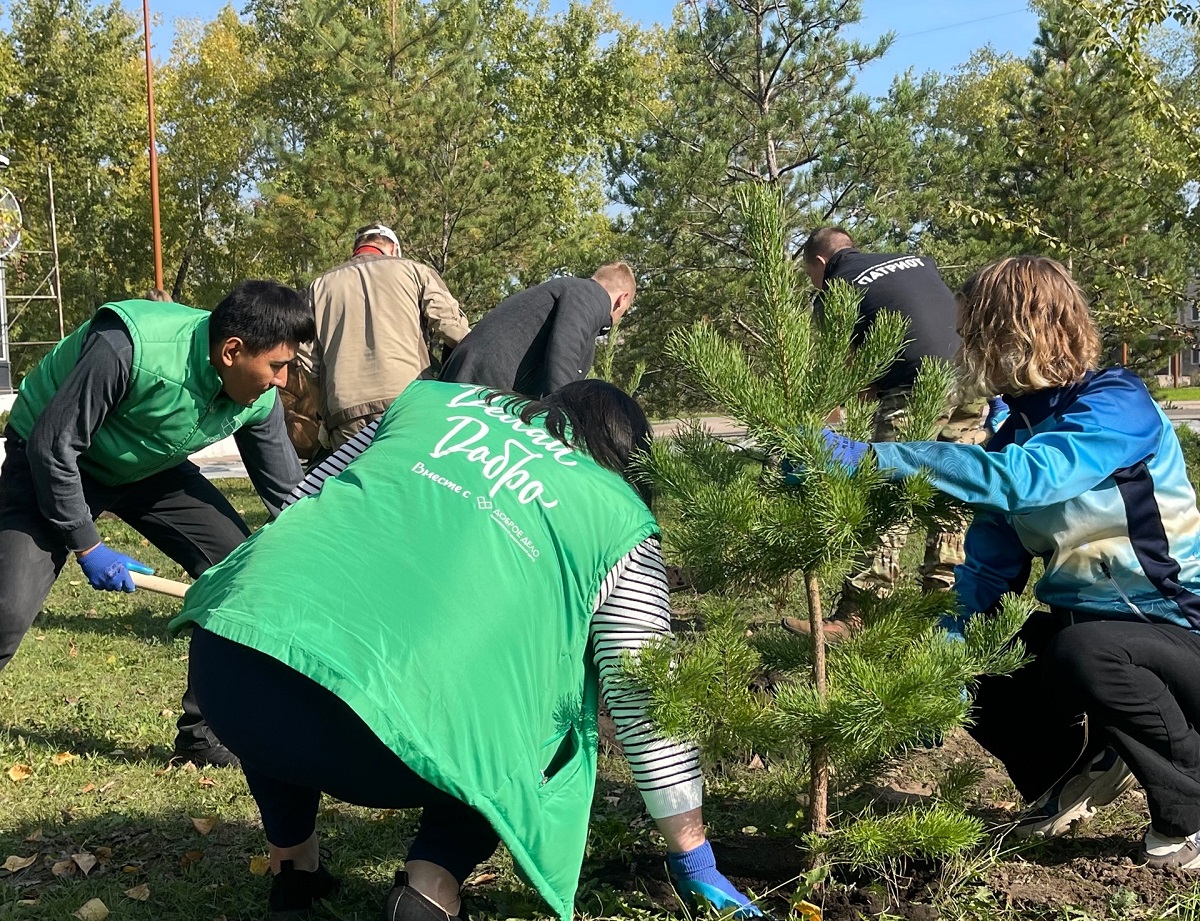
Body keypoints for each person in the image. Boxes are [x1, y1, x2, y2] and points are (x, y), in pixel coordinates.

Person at [171, 378, 759, 921]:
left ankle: (294, 868)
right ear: (632, 465)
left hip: (229, 671)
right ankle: (430, 889)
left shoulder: (427, 405)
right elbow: (646, 695)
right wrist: (694, 858)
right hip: (383, 743)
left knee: (292, 631)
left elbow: (302, 507)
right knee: (530, 715)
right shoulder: (616, 516)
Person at [813, 255, 1200, 867]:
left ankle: (1190, 809)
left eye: (972, 334)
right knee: (985, 656)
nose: (961, 349)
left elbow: (1027, 480)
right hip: (1100, 636)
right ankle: (1071, 770)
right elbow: (989, 568)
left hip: (1177, 630)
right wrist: (943, 662)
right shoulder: (1013, 428)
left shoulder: (1116, 404)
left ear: (1012, 333)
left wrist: (871, 459)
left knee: (1088, 654)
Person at [0, 282, 314, 767]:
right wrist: (87, 545)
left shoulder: (258, 397)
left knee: (238, 578)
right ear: (232, 351)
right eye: (277, 365)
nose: (284, 380)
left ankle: (202, 735)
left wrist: (328, 553)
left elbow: (289, 496)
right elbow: (52, 446)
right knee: (8, 611)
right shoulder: (128, 347)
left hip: (149, 468)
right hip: (51, 458)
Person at [784, 227, 987, 639]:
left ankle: (858, 613)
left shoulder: (836, 289)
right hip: (972, 376)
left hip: (915, 386)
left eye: (811, 276)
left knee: (887, 493)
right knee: (954, 488)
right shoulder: (915, 260)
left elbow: (855, 376)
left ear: (820, 264)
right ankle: (941, 603)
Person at [300, 223, 470, 450]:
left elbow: (308, 361)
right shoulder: (415, 271)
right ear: (393, 249)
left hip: (345, 409)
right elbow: (453, 330)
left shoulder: (318, 287)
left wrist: (325, 413)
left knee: (357, 483)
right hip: (409, 401)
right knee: (409, 479)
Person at [441, 262, 635, 398]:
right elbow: (566, 346)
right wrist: (563, 415)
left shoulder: (569, 291)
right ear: (622, 299)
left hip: (471, 373)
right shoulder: (591, 295)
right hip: (483, 384)